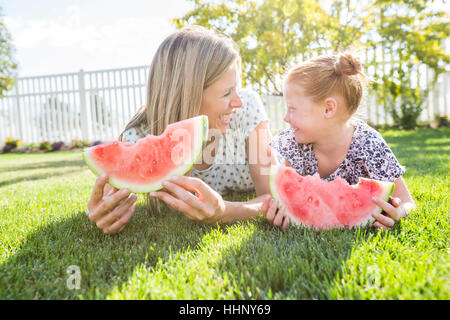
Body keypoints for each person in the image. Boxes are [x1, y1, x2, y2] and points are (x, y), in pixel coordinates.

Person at [86, 25, 276, 235]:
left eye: (237, 88)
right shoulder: (139, 135)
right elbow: (106, 201)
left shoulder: (247, 107)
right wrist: (104, 211)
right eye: (226, 94)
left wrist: (225, 212)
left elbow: (272, 200)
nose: (237, 101)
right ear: (188, 96)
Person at [262, 53, 415, 230]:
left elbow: (407, 202)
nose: (285, 118)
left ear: (328, 109)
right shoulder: (294, 145)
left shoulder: (369, 144)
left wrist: (399, 211)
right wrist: (281, 211)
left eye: (292, 109)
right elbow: (293, 194)